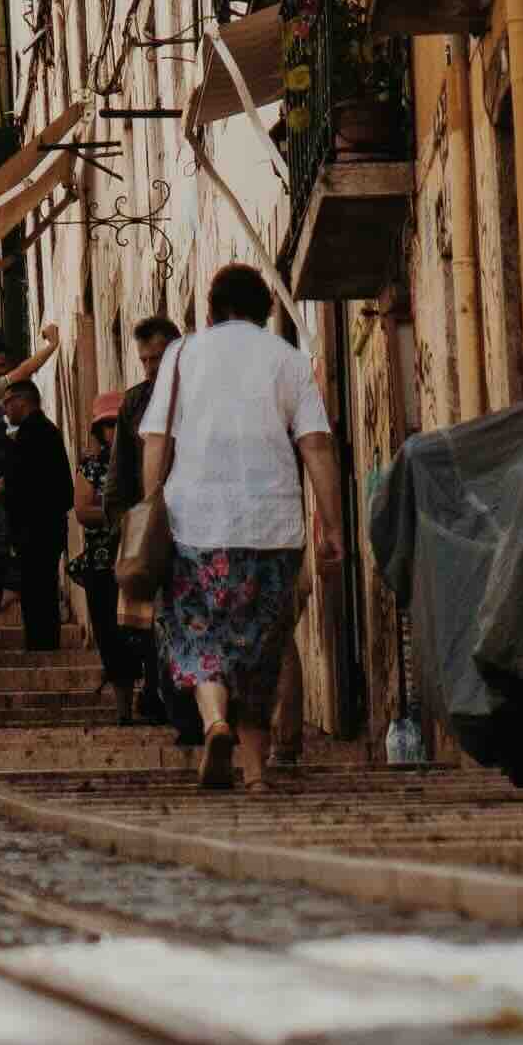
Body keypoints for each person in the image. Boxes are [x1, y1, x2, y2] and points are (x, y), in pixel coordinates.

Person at [135, 265, 346, 796]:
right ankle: (255, 772)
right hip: (271, 527)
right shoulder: (289, 359)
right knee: (260, 650)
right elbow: (316, 445)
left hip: (194, 524)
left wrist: (147, 504)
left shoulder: (183, 355)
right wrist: (334, 524)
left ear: (211, 310)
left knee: (197, 631)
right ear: (266, 311)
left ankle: (215, 724)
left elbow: (156, 440)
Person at [92, 313, 179, 719]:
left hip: (196, 521)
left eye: (159, 358)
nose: (152, 367)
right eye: (145, 360)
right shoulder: (135, 402)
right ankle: (160, 695)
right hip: (150, 527)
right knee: (148, 619)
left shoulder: (197, 395)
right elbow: (118, 474)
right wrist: (125, 528)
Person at [0, 376, 76, 655]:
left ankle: (41, 646)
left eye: (7, 403)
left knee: (38, 592)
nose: (4, 409)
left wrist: (4, 486)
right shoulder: (45, 431)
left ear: (21, 402)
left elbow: (25, 481)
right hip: (46, 528)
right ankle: (43, 643)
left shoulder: (32, 433)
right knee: (42, 589)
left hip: (35, 529)